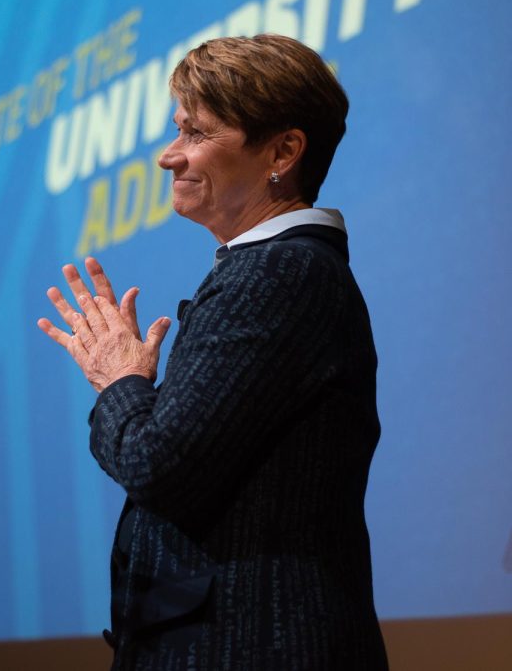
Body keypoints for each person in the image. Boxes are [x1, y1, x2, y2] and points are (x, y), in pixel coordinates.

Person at [38, 34, 389, 670]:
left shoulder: (279, 273)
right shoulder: (270, 270)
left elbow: (157, 468)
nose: (169, 157)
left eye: (196, 133)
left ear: (283, 150)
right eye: (178, 130)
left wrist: (120, 380)